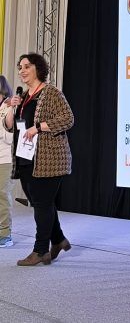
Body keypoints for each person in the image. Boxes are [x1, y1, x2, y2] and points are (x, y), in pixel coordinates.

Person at [4, 53, 74, 266]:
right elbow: (10, 126)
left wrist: (39, 127)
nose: (22, 71)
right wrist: (11, 107)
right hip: (26, 158)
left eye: (26, 66)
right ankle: (59, 239)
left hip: (49, 158)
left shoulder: (51, 93)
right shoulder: (23, 97)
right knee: (41, 203)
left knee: (42, 204)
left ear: (38, 68)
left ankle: (41, 250)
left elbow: (68, 119)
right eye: (20, 67)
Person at [0, 76, 14, 247]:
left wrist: (11, 107)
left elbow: (8, 132)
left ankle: (5, 235)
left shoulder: (9, 106)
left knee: (2, 195)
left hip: (5, 159)